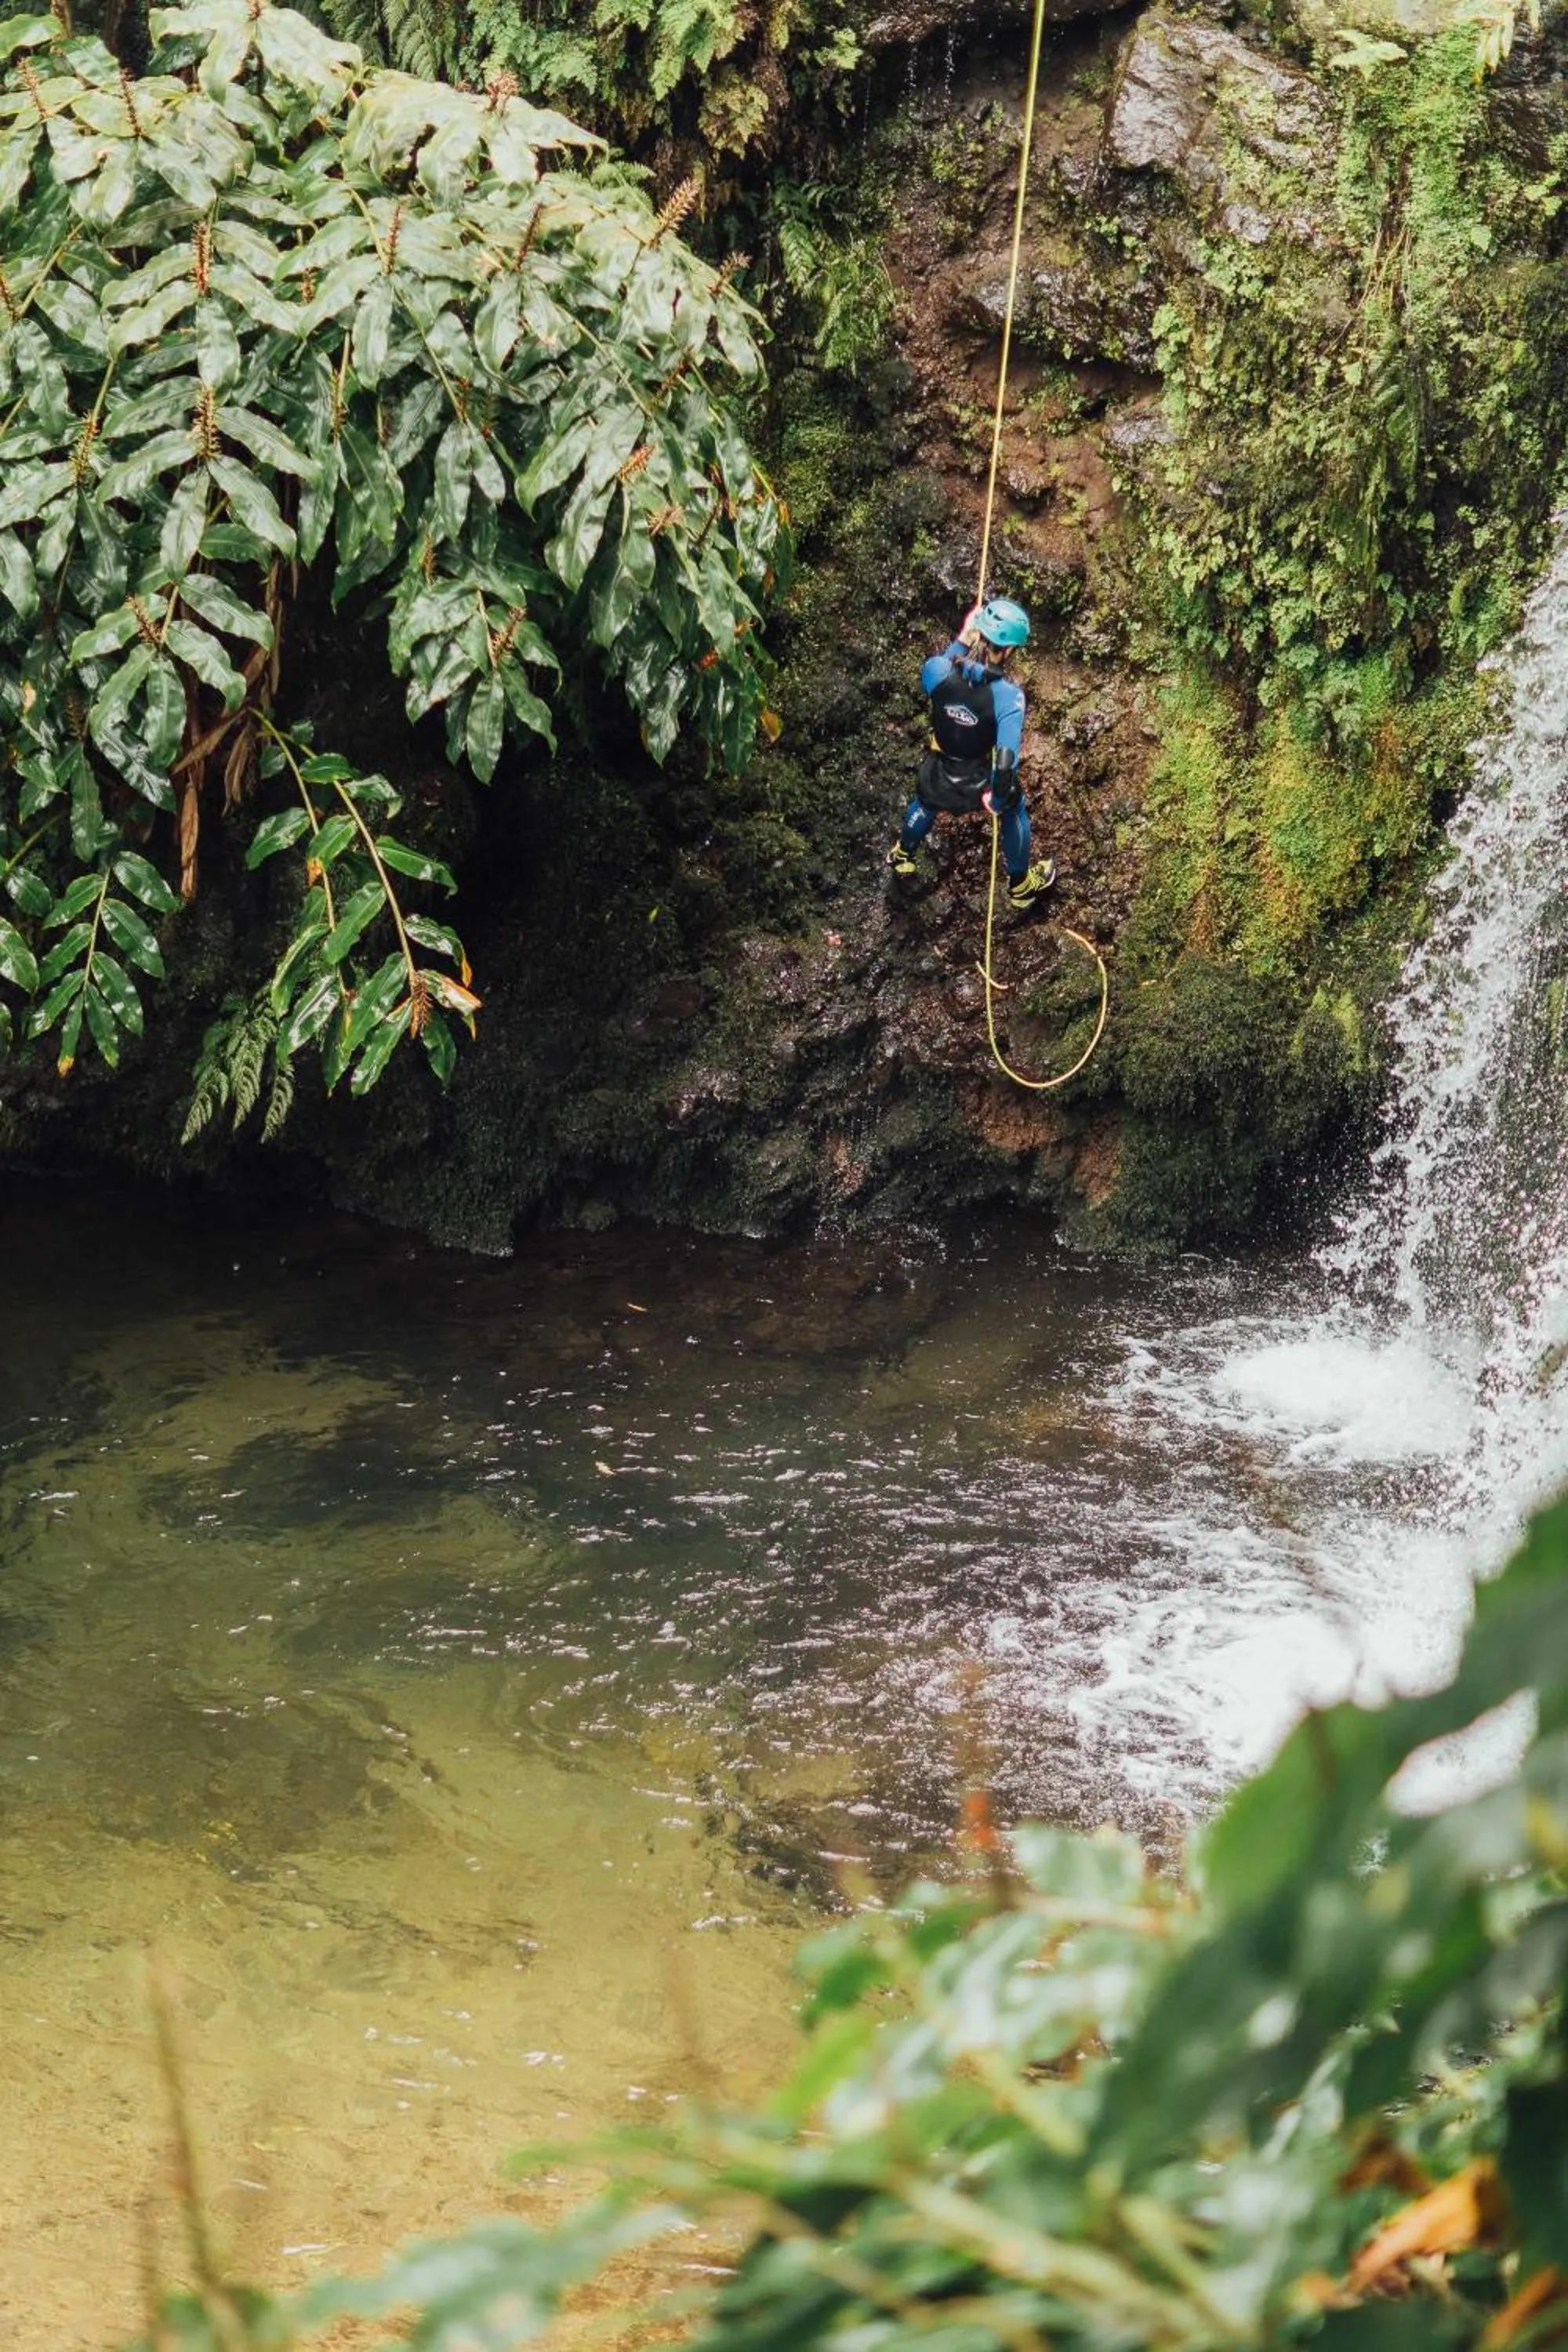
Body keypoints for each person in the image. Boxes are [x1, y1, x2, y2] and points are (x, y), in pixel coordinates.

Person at [887, 596, 1056, 909]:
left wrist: (963, 639)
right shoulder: (1009, 698)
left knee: (925, 801)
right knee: (1014, 808)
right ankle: (1020, 887)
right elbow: (1005, 763)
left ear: (980, 633)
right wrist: (997, 798)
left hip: (938, 773)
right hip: (977, 783)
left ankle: (903, 855)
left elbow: (946, 669)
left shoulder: (936, 670)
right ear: (1008, 651)